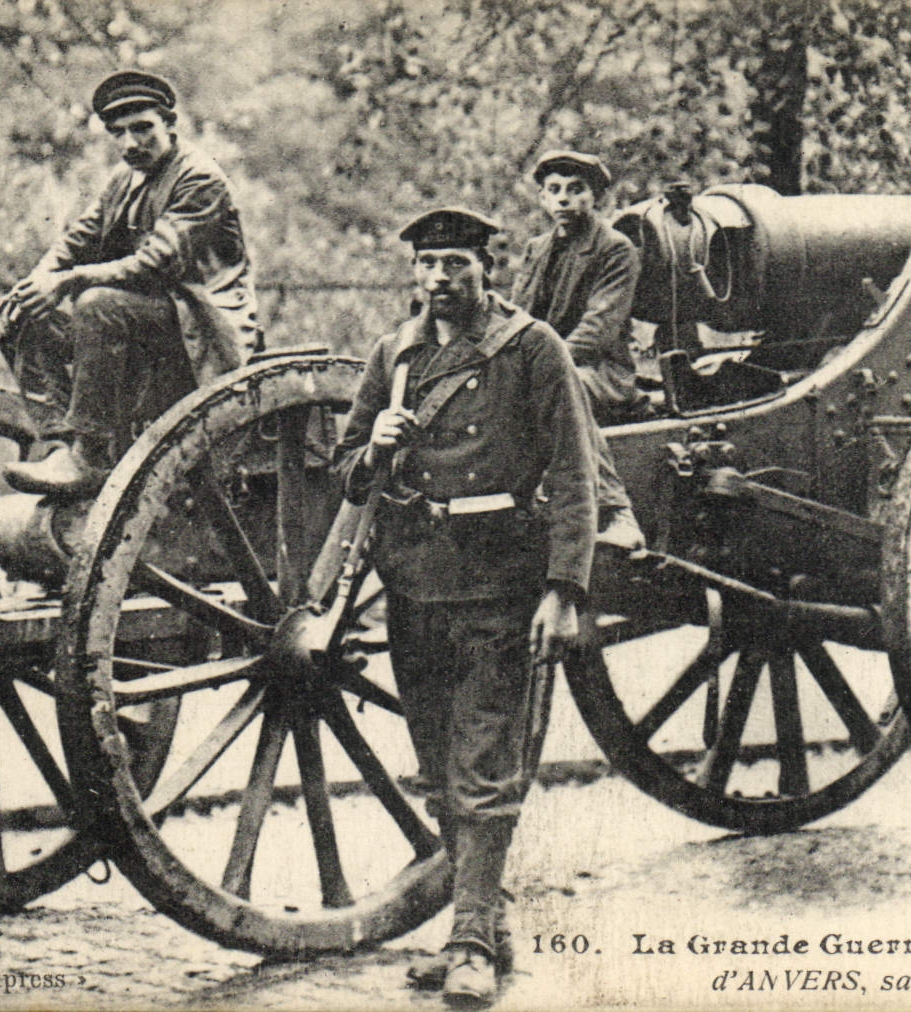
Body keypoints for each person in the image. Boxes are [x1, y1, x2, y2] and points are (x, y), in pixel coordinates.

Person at [333, 208, 597, 1006]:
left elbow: (575, 473)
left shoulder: (530, 349)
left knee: (483, 769)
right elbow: (345, 476)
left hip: (500, 577)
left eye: (455, 263)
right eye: (427, 265)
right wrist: (374, 444)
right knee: (439, 770)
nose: (440, 278)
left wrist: (563, 588)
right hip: (415, 581)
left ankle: (469, 944)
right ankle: (486, 925)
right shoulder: (395, 353)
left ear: (489, 267)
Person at [0, 70, 258, 497]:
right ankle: (62, 444)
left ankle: (92, 455)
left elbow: (154, 265)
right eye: (118, 133)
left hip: (201, 336)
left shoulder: (200, 179)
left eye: (142, 129)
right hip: (151, 328)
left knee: (97, 303)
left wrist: (68, 282)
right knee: (29, 316)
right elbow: (77, 239)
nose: (130, 143)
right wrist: (39, 280)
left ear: (171, 125)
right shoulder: (126, 179)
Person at [511, 150, 646, 551]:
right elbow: (517, 318)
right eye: (554, 190)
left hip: (599, 371)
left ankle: (617, 511)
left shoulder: (616, 249)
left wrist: (540, 370)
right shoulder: (537, 249)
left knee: (566, 391)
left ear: (596, 197)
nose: (564, 199)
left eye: (576, 190)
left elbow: (596, 332)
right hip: (543, 368)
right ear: (542, 198)